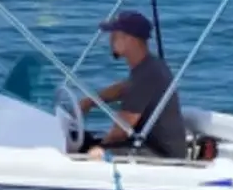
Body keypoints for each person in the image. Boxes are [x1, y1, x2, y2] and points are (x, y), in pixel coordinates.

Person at [76, 10, 186, 159]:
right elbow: (123, 88)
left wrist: (100, 147)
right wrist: (89, 102)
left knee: (92, 155)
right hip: (148, 144)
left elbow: (121, 130)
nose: (110, 40)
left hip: (160, 154)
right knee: (86, 141)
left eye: (115, 35)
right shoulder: (149, 66)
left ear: (130, 40)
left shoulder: (147, 75)